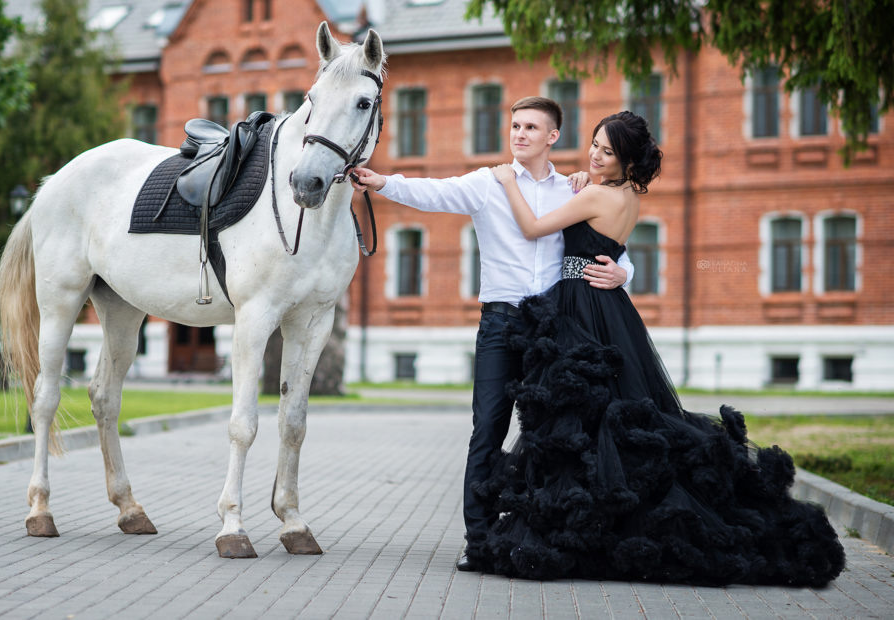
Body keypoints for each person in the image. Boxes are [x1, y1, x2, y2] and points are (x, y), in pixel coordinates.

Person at [472, 111, 845, 586]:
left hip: (582, 308)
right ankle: (605, 523)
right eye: (594, 145)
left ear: (627, 160)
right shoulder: (627, 196)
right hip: (610, 308)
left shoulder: (595, 195)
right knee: (608, 414)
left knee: (586, 418)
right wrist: (599, 212)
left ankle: (592, 527)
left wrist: (508, 182)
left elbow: (531, 227)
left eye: (607, 151)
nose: (595, 155)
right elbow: (608, 243)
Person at [351, 96, 635, 573]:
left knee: (550, 433)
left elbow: (606, 245)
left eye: (531, 127)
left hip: (555, 328)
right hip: (501, 324)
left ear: (552, 136)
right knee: (488, 429)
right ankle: (478, 540)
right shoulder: (488, 183)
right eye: (515, 125)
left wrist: (625, 273)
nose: (519, 134)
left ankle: (543, 534)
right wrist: (382, 182)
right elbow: (434, 192)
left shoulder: (573, 187)